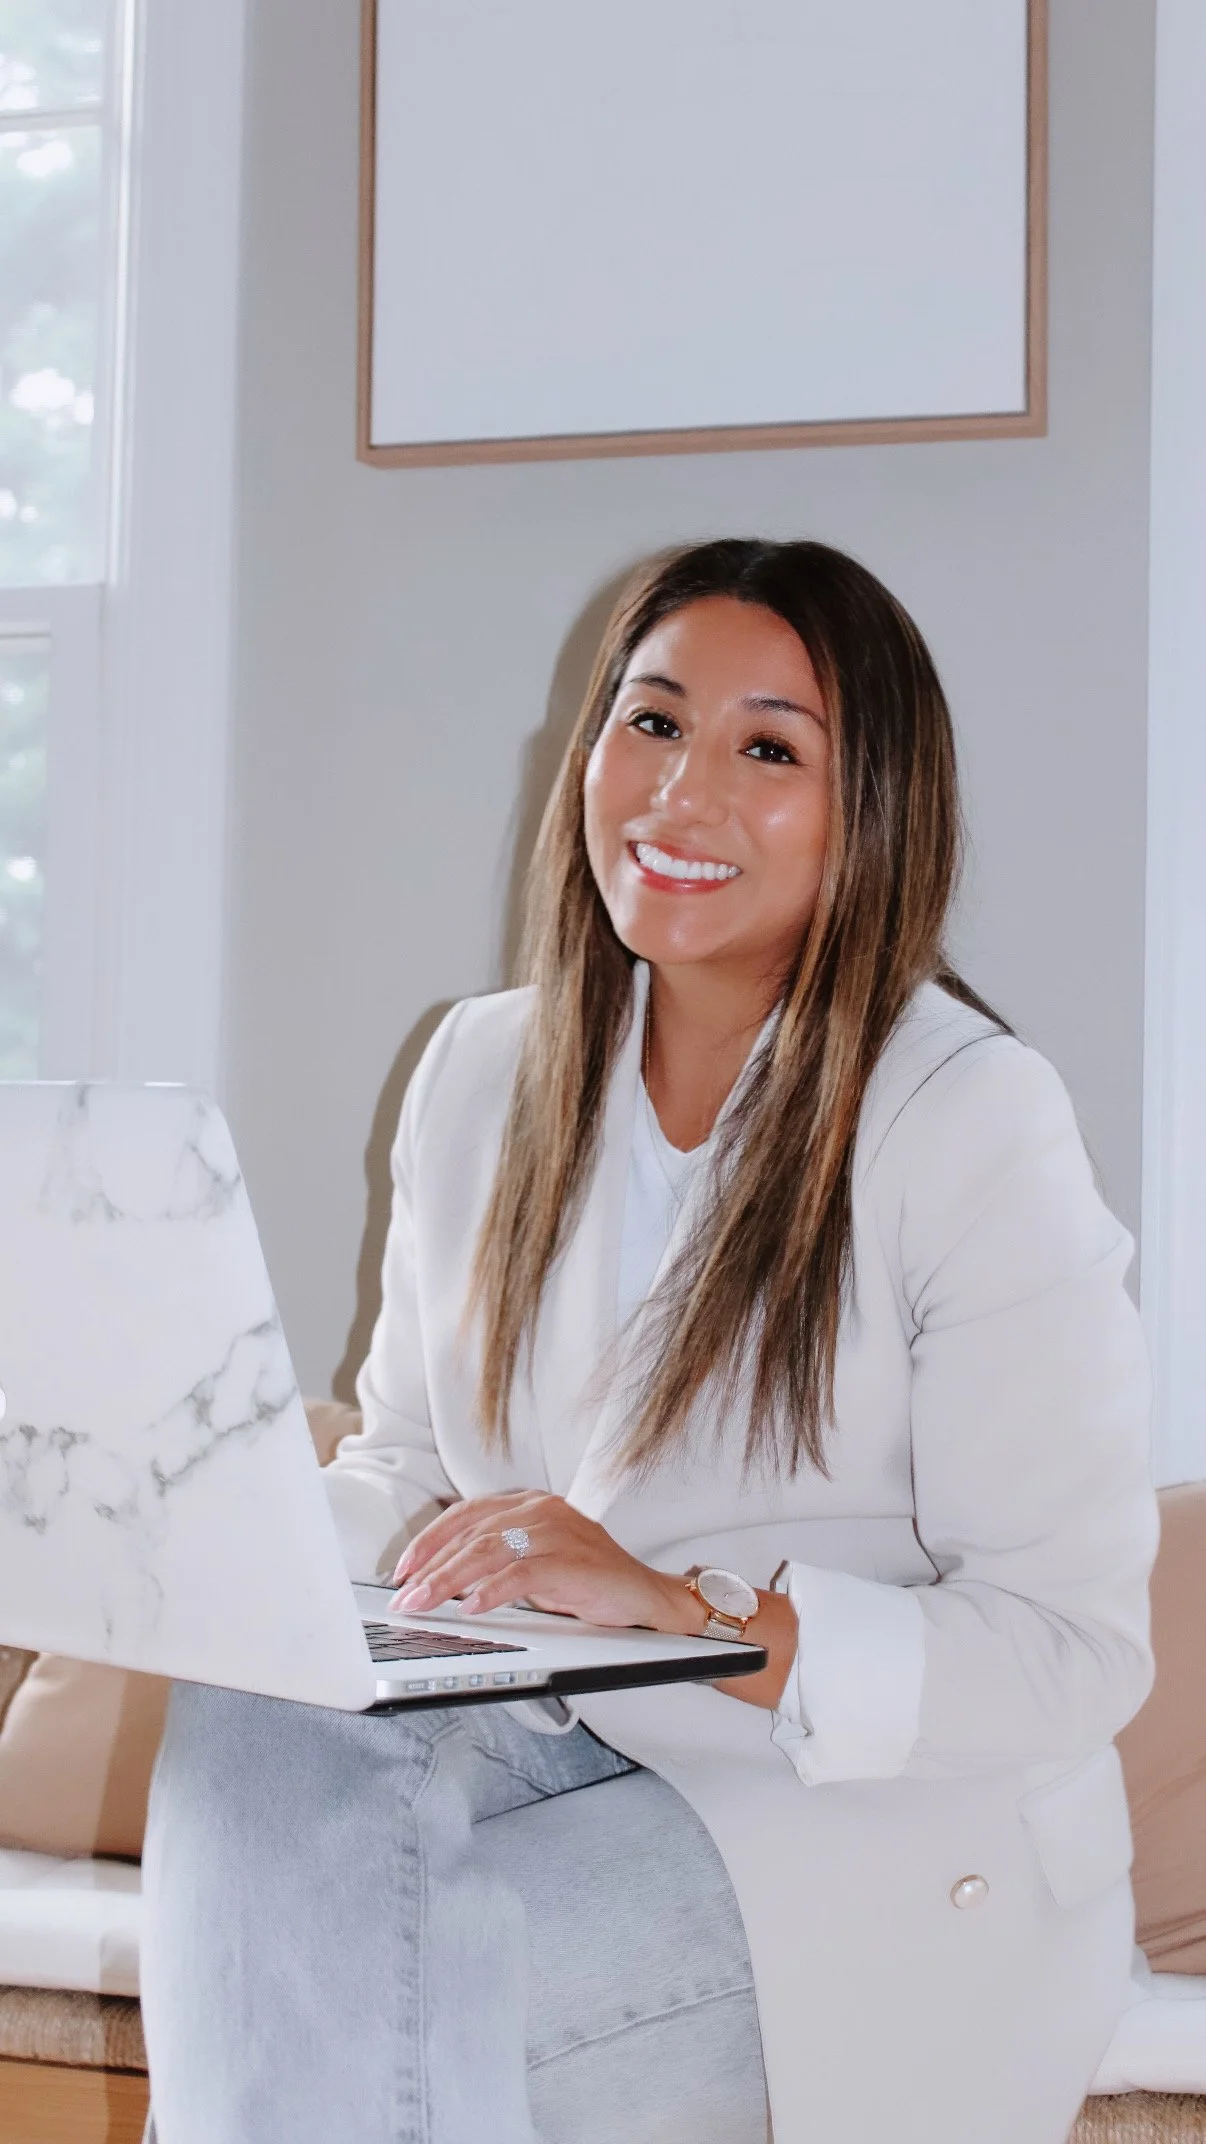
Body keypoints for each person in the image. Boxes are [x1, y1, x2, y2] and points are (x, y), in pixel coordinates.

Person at [140, 539, 1158, 2144]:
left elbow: (1071, 1647)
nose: (681, 796)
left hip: (871, 1830)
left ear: (871, 807)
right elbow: (405, 1474)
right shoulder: (482, 1069)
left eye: (768, 750)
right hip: (555, 1741)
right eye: (651, 723)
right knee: (258, 1733)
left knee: (348, 2031)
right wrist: (170, 1535)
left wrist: (687, 1610)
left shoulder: (965, 1119)